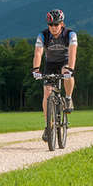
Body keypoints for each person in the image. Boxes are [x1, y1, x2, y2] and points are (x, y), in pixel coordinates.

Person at [31, 9, 78, 142]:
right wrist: (36, 69)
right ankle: (48, 125)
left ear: (62, 24)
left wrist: (71, 68)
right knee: (47, 93)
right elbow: (38, 53)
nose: (53, 28)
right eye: (51, 25)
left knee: (66, 72)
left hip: (65, 62)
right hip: (50, 64)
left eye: (56, 25)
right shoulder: (43, 35)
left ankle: (68, 98)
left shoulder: (70, 34)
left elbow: (73, 51)